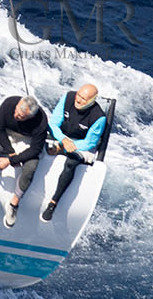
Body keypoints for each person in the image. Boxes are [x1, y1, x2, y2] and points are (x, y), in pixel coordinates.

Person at [0, 94, 49, 228]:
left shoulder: (41, 122)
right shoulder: (9, 103)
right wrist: (10, 150)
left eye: (21, 116)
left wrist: (11, 160)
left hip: (27, 141)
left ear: (30, 117)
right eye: (16, 111)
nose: (16, 115)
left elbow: (35, 149)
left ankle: (14, 204)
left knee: (31, 167)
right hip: (7, 135)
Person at [41, 84, 106, 221]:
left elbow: (90, 143)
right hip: (61, 137)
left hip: (82, 146)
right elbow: (53, 124)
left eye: (84, 99)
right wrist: (63, 141)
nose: (78, 100)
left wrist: (68, 146)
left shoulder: (99, 117)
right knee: (38, 145)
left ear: (91, 101)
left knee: (71, 163)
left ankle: (53, 203)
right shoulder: (68, 97)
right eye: (79, 95)